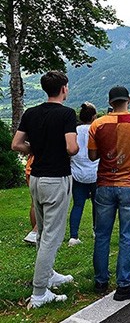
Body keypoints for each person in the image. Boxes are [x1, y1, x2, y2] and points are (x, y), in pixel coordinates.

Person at [11, 71, 79, 308]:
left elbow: (16, 144)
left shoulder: (31, 112)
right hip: (56, 178)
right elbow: (71, 148)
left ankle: (48, 274)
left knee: (42, 232)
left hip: (36, 178)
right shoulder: (67, 114)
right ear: (63, 89)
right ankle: (40, 292)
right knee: (52, 235)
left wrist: (36, 148)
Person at [88, 86, 130, 301]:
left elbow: (92, 156)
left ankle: (100, 281)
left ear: (109, 102)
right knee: (127, 236)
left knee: (102, 234)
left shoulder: (97, 124)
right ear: (129, 99)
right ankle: (124, 284)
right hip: (129, 184)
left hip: (104, 184)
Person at [68, 102, 99, 246]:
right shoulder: (96, 129)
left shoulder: (74, 130)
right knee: (97, 204)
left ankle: (74, 236)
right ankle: (96, 230)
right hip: (95, 171)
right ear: (94, 117)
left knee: (77, 205)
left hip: (77, 172)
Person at [23, 155, 38, 244]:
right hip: (43, 167)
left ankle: (35, 232)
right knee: (47, 203)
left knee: (34, 202)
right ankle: (35, 232)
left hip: (31, 167)